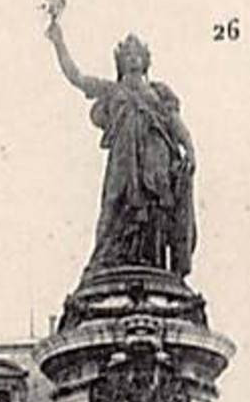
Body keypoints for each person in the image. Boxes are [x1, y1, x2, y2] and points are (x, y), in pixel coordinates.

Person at [44, 14, 197, 279]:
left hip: (156, 158)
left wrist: (190, 149)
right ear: (120, 62)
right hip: (124, 160)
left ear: (146, 60)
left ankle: (154, 265)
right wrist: (58, 42)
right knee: (115, 204)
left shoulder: (159, 93)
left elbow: (176, 124)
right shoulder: (112, 90)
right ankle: (109, 259)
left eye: (138, 54)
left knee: (156, 209)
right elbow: (76, 76)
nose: (133, 58)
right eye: (128, 55)